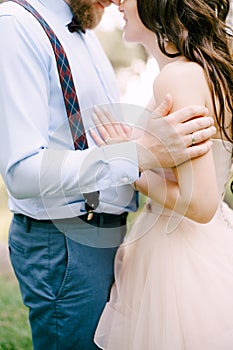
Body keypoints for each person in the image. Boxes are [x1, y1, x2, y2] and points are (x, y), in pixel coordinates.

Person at [0, 0, 216, 349]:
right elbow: (21, 172)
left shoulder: (88, 35)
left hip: (110, 239)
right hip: (66, 242)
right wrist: (137, 154)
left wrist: (137, 152)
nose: (119, 0)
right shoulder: (16, 26)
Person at [93, 0, 233, 349]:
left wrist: (130, 164)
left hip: (181, 257)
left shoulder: (179, 77)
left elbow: (200, 204)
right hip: (196, 244)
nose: (119, 2)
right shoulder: (199, 72)